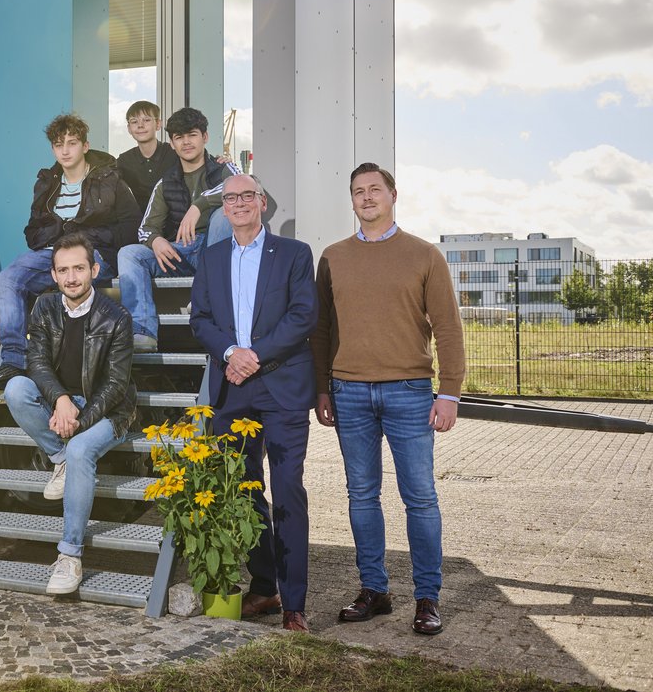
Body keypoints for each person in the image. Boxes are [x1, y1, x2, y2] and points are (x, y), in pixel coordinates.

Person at [312, 162, 465, 636]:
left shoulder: (424, 255)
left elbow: (447, 327)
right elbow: (321, 331)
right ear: (352, 200)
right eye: (357, 191)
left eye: (374, 189)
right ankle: (374, 590)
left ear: (393, 195)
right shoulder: (333, 256)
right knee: (361, 495)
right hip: (349, 391)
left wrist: (450, 393)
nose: (366, 197)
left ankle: (427, 597)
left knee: (419, 497)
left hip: (410, 392)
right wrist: (322, 387)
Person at [189, 172, 318, 632]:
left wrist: (254, 355)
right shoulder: (211, 257)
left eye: (248, 195)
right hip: (231, 386)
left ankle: (295, 605)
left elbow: (304, 315)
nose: (240, 203)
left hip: (280, 386)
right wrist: (230, 353)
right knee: (244, 492)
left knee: (287, 493)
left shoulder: (294, 254)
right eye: (231, 198)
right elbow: (200, 319)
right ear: (223, 208)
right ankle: (264, 588)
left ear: (262, 202)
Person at [2, 233, 137, 595]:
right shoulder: (44, 307)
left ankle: (70, 555)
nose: (72, 277)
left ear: (94, 269)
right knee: (15, 389)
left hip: (107, 410)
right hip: (63, 401)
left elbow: (115, 385)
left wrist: (78, 419)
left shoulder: (117, 317)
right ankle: (59, 457)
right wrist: (61, 399)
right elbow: (37, 363)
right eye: (64, 270)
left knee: (80, 451)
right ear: (54, 274)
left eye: (79, 268)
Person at [0, 113, 140, 389]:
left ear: (85, 146)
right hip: (54, 256)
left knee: (71, 276)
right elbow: (32, 233)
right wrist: (61, 232)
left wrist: (83, 237)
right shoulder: (47, 183)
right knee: (8, 277)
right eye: (58, 145)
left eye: (72, 143)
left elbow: (131, 227)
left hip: (94, 254)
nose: (65, 150)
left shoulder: (109, 179)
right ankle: (14, 360)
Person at [118, 106, 240, 352]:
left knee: (221, 217)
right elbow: (145, 228)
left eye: (192, 135)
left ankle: (207, 298)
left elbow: (245, 185)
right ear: (172, 143)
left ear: (204, 137)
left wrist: (199, 205)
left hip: (218, 250)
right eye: (179, 137)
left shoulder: (222, 168)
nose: (186, 142)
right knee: (129, 253)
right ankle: (142, 331)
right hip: (185, 251)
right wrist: (155, 241)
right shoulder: (166, 182)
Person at [115, 100, 177, 211]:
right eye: (134, 122)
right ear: (129, 128)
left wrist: (218, 160)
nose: (140, 125)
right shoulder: (124, 160)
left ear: (158, 124)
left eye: (146, 120)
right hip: (139, 222)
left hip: (176, 220)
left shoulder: (174, 153)